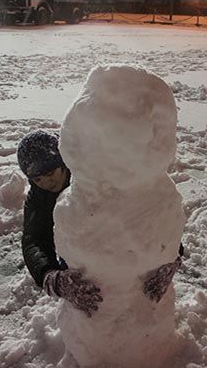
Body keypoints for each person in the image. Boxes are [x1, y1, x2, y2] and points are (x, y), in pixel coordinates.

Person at [17, 130, 184, 317]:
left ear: (63, 162)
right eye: (37, 179)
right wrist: (50, 276)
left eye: (50, 173)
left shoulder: (96, 176)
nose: (46, 182)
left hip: (126, 256)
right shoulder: (39, 196)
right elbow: (34, 238)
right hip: (85, 264)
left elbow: (151, 214)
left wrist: (171, 255)